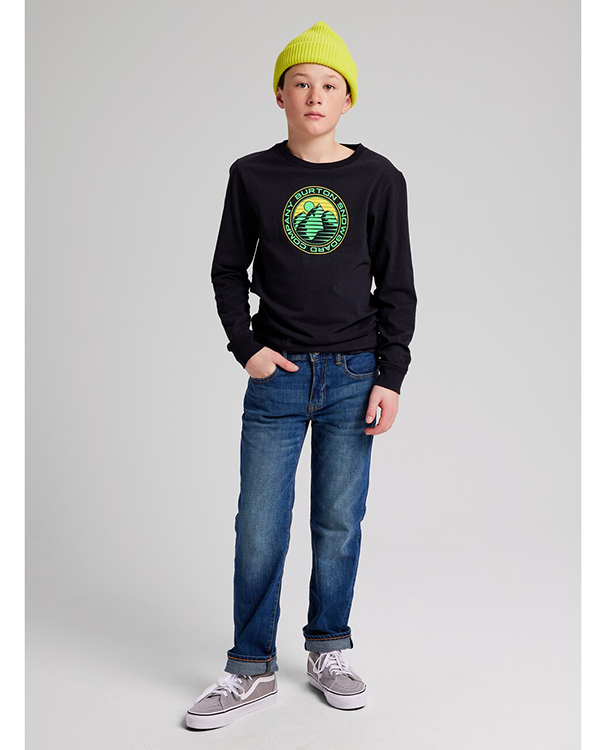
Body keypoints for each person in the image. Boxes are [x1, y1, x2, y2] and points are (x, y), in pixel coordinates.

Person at [185, 20, 418, 730]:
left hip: (354, 374)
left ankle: (328, 648)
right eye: (300, 83)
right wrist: (246, 347)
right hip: (277, 378)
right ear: (280, 96)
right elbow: (228, 270)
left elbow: (397, 286)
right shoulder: (252, 176)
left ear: (348, 99)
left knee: (338, 521)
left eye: (329, 84)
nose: (314, 95)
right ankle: (250, 666)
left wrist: (391, 375)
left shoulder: (379, 179)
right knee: (259, 524)